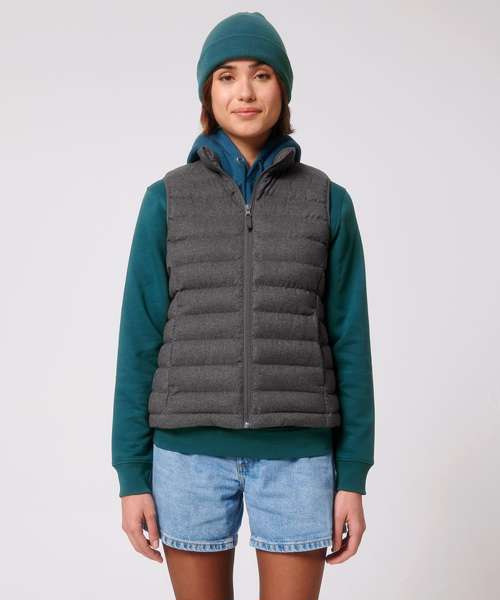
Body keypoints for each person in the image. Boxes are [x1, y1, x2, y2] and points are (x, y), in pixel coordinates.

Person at [111, 11, 375, 600]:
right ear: (208, 94)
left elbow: (350, 341)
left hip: (299, 461)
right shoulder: (167, 199)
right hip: (187, 459)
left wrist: (353, 475)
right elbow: (139, 339)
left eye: (262, 74)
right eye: (226, 76)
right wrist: (131, 475)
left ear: (283, 88)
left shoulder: (328, 201)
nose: (245, 91)